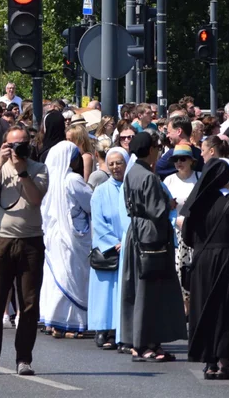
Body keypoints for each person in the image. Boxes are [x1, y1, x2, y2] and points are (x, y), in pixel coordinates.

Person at [0, 125, 49, 377]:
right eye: (13, 143)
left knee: (28, 304)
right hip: (0, 241)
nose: (19, 148)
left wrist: (22, 171)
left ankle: (23, 359)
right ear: (5, 144)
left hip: (30, 241)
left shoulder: (39, 168)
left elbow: (35, 199)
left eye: (23, 143)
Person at [180, 159, 229, 380]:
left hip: (202, 262)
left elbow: (187, 237)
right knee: (228, 309)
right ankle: (225, 363)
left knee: (204, 309)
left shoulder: (196, 204)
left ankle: (209, 363)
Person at [119, 131, 187, 362]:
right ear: (150, 150)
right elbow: (157, 210)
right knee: (151, 292)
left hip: (136, 233)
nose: (158, 151)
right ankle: (145, 344)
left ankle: (142, 341)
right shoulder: (148, 177)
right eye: (156, 148)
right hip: (151, 237)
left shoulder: (132, 173)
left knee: (139, 290)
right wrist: (169, 203)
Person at [39, 118, 92, 338]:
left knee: (54, 277)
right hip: (73, 235)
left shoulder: (46, 181)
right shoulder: (72, 180)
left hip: (52, 234)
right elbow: (91, 203)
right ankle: (70, 323)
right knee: (73, 277)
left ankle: (53, 321)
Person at [88, 148, 127, 350]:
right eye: (111, 163)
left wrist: (128, 240)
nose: (115, 167)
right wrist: (114, 243)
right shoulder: (101, 191)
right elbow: (98, 222)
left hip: (128, 247)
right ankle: (102, 328)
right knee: (105, 292)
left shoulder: (132, 188)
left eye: (119, 162)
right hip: (109, 249)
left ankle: (119, 330)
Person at [164, 143, 200, 315]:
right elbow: (164, 207)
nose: (179, 162)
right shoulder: (168, 180)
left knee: (196, 269)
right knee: (179, 269)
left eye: (183, 159)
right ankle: (183, 309)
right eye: (176, 160)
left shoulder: (199, 178)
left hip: (196, 232)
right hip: (176, 233)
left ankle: (194, 306)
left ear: (191, 161)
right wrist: (175, 220)